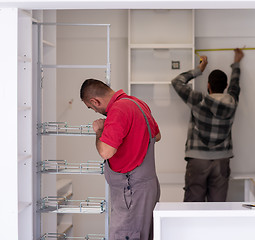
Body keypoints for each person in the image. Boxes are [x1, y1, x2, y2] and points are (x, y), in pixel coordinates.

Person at [80, 79, 161, 240]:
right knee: (144, 234)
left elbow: (105, 151)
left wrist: (100, 131)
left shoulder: (118, 110)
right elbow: (157, 136)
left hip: (131, 192)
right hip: (147, 187)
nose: (95, 111)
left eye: (92, 108)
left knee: (126, 235)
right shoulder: (137, 103)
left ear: (95, 101)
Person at [171, 48, 244, 202]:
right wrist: (236, 62)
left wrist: (199, 69)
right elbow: (235, 84)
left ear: (208, 85)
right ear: (225, 87)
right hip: (222, 161)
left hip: (197, 160)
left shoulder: (198, 99)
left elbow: (176, 82)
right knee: (217, 208)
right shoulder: (232, 101)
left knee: (193, 206)